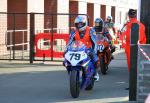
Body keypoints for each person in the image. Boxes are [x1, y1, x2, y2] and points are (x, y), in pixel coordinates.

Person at [66, 15, 99, 81]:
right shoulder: (74, 31)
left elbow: (94, 42)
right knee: (66, 58)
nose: (79, 25)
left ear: (84, 23)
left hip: (88, 49)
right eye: (77, 24)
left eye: (81, 24)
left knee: (94, 58)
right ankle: (71, 71)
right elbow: (70, 41)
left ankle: (95, 73)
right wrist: (66, 49)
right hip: (77, 49)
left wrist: (94, 50)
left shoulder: (91, 30)